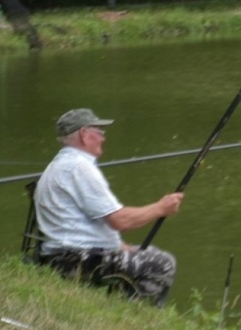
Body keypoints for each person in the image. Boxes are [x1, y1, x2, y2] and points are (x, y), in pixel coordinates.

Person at [33, 108, 184, 305]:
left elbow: (82, 221)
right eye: (99, 132)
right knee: (162, 263)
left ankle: (123, 305)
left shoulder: (61, 164)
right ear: (84, 134)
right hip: (76, 260)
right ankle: (136, 313)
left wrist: (116, 245)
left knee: (141, 254)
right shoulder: (79, 167)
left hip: (61, 255)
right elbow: (119, 220)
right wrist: (160, 208)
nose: (103, 138)